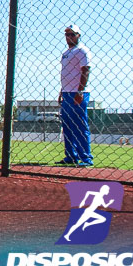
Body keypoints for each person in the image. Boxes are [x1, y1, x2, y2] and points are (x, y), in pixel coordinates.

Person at [57, 23, 92, 167]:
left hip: (77, 92)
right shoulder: (66, 53)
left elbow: (85, 70)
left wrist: (80, 91)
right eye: (67, 34)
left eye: (72, 34)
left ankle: (86, 157)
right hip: (66, 92)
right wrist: (62, 91)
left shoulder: (82, 51)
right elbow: (66, 74)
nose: (69, 37)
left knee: (79, 125)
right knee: (67, 125)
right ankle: (71, 155)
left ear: (78, 35)